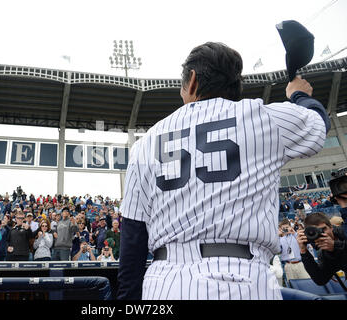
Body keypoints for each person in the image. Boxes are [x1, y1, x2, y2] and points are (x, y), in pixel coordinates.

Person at [117, 42, 330, 300]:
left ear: (192, 80)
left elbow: (133, 236)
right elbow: (318, 123)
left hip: (165, 282)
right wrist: (299, 94)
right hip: (244, 279)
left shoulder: (146, 141)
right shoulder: (261, 116)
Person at [297, 211, 347, 285]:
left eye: (323, 229)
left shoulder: (344, 233)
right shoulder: (323, 253)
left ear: (331, 227)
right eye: (316, 232)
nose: (322, 234)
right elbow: (320, 279)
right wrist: (304, 252)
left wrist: (335, 245)